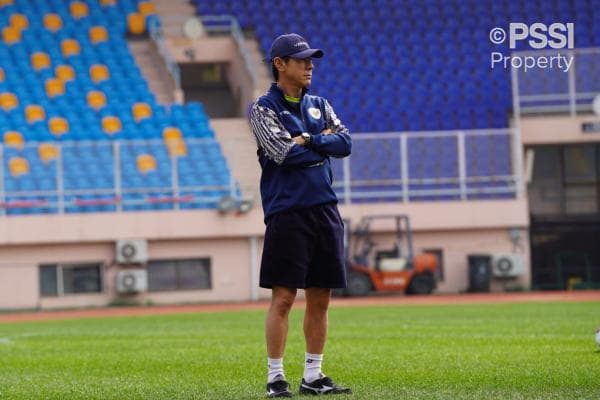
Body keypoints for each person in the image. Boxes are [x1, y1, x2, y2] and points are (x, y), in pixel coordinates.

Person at [249, 33, 352, 397]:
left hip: (324, 208)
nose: (309, 66)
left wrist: (308, 140)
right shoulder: (263, 108)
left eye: (311, 60)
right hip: (287, 212)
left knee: (321, 296)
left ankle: (313, 375)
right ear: (280, 64)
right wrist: (320, 145)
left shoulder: (321, 104)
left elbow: (345, 143)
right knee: (284, 297)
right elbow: (282, 153)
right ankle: (276, 377)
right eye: (301, 60)